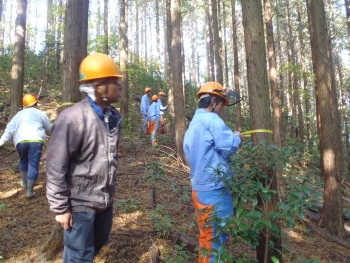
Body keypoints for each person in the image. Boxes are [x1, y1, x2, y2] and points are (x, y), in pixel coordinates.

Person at [46, 52, 124, 263]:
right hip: (80, 204)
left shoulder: (112, 118)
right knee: (81, 257)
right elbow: (55, 166)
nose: (120, 86)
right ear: (99, 85)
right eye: (114, 81)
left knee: (94, 245)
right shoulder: (72, 118)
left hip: (104, 201)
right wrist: (61, 208)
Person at [183, 82, 244, 263]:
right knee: (217, 241)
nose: (221, 110)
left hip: (199, 189)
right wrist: (237, 138)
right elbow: (228, 146)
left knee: (206, 239)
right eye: (221, 105)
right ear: (213, 100)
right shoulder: (212, 120)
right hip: (215, 190)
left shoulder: (194, 123)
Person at [0, 93, 52, 198]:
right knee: (33, 163)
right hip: (36, 140)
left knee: (23, 160)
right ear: (36, 103)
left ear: (24, 105)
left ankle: (24, 182)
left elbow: (9, 130)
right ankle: (29, 191)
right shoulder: (40, 114)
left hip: (20, 141)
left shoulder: (18, 115)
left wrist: (1, 142)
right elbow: (50, 130)